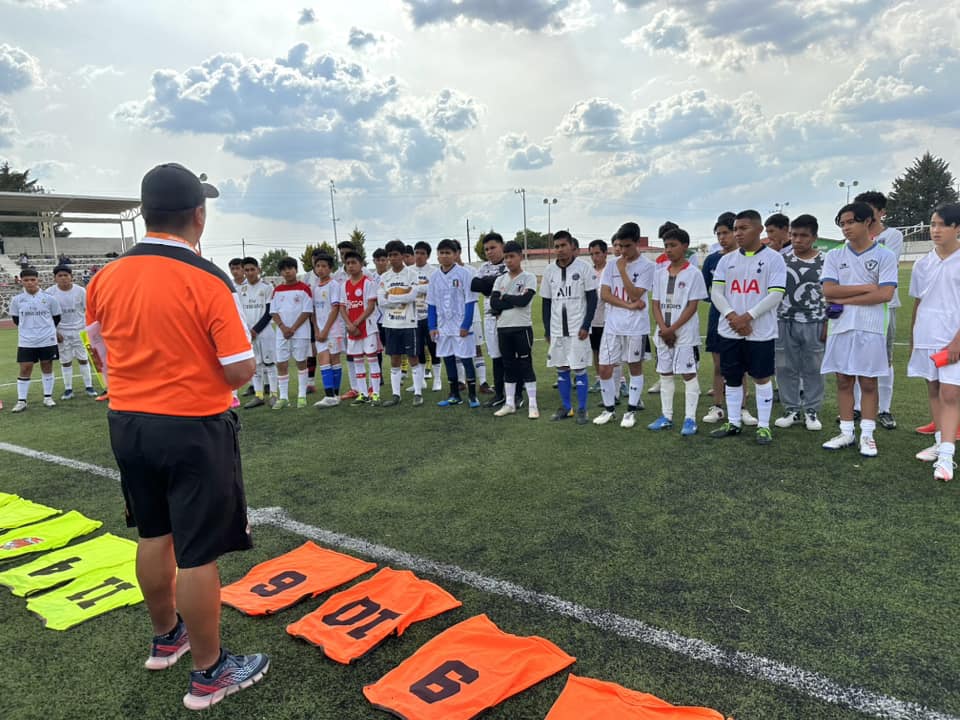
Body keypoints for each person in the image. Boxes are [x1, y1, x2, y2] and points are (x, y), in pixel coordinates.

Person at [85, 162, 268, 710]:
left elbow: (101, 355)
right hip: (191, 425)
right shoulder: (208, 277)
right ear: (199, 215)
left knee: (153, 532)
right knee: (198, 552)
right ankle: (209, 672)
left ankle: (167, 637)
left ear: (145, 214)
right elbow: (239, 369)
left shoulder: (105, 277)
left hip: (128, 422)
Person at [820, 202, 897, 457]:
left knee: (868, 382)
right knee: (843, 380)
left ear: (867, 222)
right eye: (842, 224)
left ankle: (867, 435)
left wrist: (843, 298)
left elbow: (885, 294)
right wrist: (865, 288)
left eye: (850, 222)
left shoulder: (884, 255)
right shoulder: (834, 255)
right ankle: (845, 432)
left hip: (871, 327)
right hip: (841, 326)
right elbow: (828, 290)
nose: (846, 228)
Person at [709, 209, 787, 444]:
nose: (738, 233)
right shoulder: (727, 260)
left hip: (760, 331)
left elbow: (776, 294)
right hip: (730, 329)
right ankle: (733, 422)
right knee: (731, 377)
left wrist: (748, 317)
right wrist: (733, 316)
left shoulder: (774, 259)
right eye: (736, 229)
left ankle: (764, 426)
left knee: (761, 378)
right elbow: (716, 292)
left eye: (744, 228)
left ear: (759, 229)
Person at [909, 203, 960, 482]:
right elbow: (918, 302)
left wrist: (957, 342)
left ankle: (946, 457)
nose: (935, 230)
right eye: (932, 224)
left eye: (942, 224)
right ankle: (941, 442)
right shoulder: (922, 262)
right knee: (934, 388)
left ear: (957, 228)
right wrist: (914, 338)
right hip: (927, 336)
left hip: (954, 339)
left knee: (951, 393)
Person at [594, 222, 654, 428]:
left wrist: (623, 272)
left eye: (628, 246)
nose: (623, 250)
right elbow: (605, 295)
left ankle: (631, 410)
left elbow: (636, 293)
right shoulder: (612, 264)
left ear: (637, 243)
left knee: (634, 367)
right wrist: (628, 306)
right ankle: (609, 409)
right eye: (620, 245)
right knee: (604, 368)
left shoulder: (647, 266)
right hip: (612, 325)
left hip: (636, 327)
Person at [648, 228, 707, 435]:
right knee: (665, 373)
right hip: (663, 333)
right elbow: (655, 304)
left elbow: (692, 306)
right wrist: (664, 329)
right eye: (666, 246)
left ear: (684, 246)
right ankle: (667, 416)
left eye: (673, 245)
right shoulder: (659, 273)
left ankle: (690, 419)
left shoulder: (694, 274)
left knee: (688, 374)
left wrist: (672, 329)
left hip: (685, 334)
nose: (669, 250)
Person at [854, 190, 903, 430]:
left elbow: (885, 273)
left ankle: (884, 409)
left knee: (885, 357)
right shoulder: (851, 239)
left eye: (870, 212)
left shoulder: (892, 235)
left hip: (885, 306)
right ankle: (855, 407)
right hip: (858, 306)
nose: (865, 217)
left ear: (881, 212)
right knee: (857, 354)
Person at [773, 215, 825, 431]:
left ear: (814, 237)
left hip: (815, 320)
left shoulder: (826, 260)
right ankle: (791, 409)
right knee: (785, 367)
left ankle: (811, 410)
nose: (797, 240)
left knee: (813, 368)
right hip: (784, 321)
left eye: (803, 236)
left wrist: (829, 323)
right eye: (794, 235)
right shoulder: (780, 260)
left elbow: (833, 294)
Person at [540, 230, 597, 425]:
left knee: (579, 368)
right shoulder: (549, 271)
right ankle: (566, 407)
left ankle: (582, 409)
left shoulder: (584, 268)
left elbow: (592, 298)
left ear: (572, 246)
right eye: (556, 246)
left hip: (577, 329)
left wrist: (586, 324)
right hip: (557, 329)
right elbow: (546, 302)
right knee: (562, 368)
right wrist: (548, 329)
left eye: (563, 245)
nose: (560, 249)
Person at [427, 238, 480, 408]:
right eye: (441, 253)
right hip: (443, 328)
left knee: (466, 359)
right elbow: (431, 304)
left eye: (448, 253)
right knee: (448, 359)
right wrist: (432, 326)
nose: (444, 256)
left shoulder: (465, 274)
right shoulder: (434, 277)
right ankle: (454, 394)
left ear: (456, 254)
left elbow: (470, 301)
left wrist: (465, 325)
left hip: (460, 327)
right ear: (437, 255)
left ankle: (472, 395)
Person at [491, 242, 540, 419]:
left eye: (512, 256)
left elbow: (524, 301)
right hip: (503, 328)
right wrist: (511, 300)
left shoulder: (529, 277)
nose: (509, 260)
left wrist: (505, 298)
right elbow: (494, 303)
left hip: (522, 328)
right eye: (506, 257)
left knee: (526, 365)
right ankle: (509, 403)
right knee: (509, 366)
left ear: (520, 256)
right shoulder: (499, 279)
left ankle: (533, 405)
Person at [377, 240, 424, 406]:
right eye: (389, 255)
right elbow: (381, 301)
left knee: (413, 357)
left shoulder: (412, 274)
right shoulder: (384, 277)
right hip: (390, 324)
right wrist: (398, 300)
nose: (392, 258)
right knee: (394, 359)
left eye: (395, 254)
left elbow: (412, 297)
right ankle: (396, 395)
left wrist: (392, 298)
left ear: (402, 256)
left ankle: (418, 393)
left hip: (409, 323)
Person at [10, 268, 62, 412]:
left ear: (38, 280)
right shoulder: (17, 300)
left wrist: (47, 330)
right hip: (26, 340)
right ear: (21, 282)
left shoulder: (49, 298)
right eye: (26, 280)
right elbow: (16, 319)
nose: (30, 283)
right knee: (25, 367)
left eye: (33, 280)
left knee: (47, 365)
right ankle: (22, 401)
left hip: (47, 339)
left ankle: (48, 397)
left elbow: (56, 317)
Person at [45, 265, 97, 399]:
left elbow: (88, 311)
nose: (63, 278)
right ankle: (68, 389)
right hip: (62, 332)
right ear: (55, 278)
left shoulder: (81, 291)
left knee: (84, 359)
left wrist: (88, 330)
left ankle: (89, 387)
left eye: (66, 275)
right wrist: (55, 332)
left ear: (71, 276)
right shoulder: (49, 293)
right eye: (60, 276)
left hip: (80, 330)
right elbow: (47, 315)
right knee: (65, 361)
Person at [469, 232, 509, 407]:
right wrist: (493, 284)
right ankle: (499, 393)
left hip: (507, 316)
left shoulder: (508, 264)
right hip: (489, 317)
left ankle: (515, 390)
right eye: (486, 249)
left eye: (493, 247)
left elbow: (507, 284)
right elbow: (476, 285)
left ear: (502, 246)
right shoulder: (483, 267)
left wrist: (488, 284)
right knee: (496, 356)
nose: (490, 252)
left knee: (510, 355)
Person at [270, 257, 313, 409]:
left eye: (290, 268)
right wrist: (282, 327)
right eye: (284, 269)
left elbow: (307, 311)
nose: (287, 271)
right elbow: (273, 312)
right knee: (281, 364)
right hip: (282, 334)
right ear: (281, 272)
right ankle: (283, 398)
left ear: (296, 269)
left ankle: (302, 396)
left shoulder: (304, 288)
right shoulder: (277, 290)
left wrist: (293, 328)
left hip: (300, 332)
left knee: (301, 362)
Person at [341, 250, 382, 405]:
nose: (351, 266)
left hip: (367, 328)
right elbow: (342, 308)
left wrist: (356, 323)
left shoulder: (368, 283)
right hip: (352, 330)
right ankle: (363, 394)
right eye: (348, 263)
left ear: (361, 265)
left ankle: (375, 393)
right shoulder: (344, 285)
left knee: (372, 360)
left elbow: (370, 307)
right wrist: (349, 325)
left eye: (354, 263)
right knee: (357, 361)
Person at [239, 257, 277, 408]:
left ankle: (274, 395)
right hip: (248, 334)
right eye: (246, 270)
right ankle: (259, 396)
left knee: (270, 363)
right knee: (255, 365)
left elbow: (269, 312)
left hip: (265, 332)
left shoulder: (267, 287)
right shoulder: (241, 290)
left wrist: (256, 330)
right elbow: (239, 312)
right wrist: (246, 330)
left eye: (252, 269)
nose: (249, 273)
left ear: (258, 269)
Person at [310, 253, 345, 408]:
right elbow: (313, 312)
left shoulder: (334, 285)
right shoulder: (314, 287)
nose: (321, 269)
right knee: (323, 360)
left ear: (330, 268)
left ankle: (333, 395)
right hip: (320, 332)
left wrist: (325, 330)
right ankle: (331, 396)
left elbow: (335, 308)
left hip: (333, 330)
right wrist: (317, 329)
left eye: (324, 266)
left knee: (334, 360)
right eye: (318, 266)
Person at [413, 241, 440, 391]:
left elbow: (433, 289)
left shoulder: (434, 271)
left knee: (433, 347)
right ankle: (421, 380)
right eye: (417, 252)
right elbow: (407, 289)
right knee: (418, 350)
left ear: (428, 256)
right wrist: (420, 289)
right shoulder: (409, 271)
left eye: (422, 253)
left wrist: (416, 288)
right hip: (413, 316)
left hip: (430, 315)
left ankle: (437, 380)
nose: (419, 256)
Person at [587, 239, 608, 394]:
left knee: (610, 351)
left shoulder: (611, 270)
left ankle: (619, 380)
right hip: (592, 320)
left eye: (597, 253)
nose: (595, 257)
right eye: (592, 254)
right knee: (595, 350)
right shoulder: (588, 272)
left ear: (605, 253)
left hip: (608, 319)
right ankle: (599, 378)